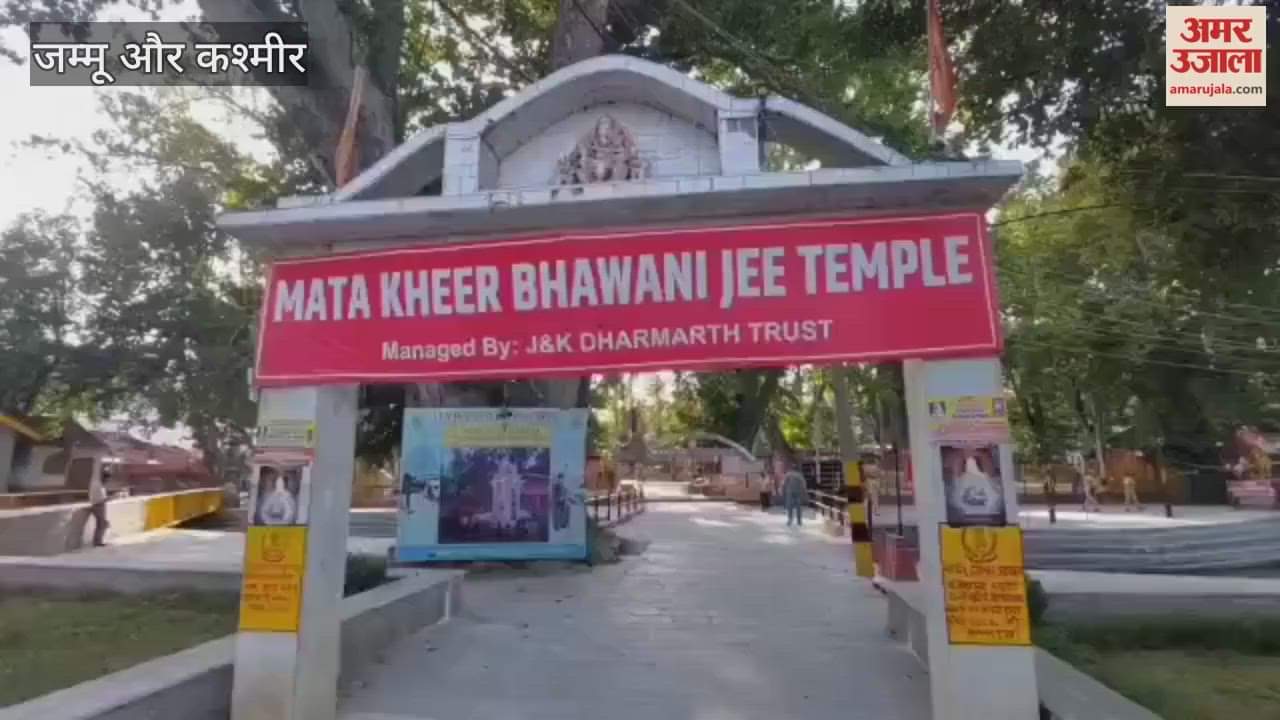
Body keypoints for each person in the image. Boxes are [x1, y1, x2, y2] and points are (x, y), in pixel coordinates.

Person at [88, 465, 110, 546]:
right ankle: (97, 541)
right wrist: (114, 497)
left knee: (101, 524)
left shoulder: (98, 484)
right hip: (98, 506)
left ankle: (97, 541)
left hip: (97, 505)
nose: (107, 481)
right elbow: (102, 499)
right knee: (102, 524)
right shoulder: (99, 485)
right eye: (106, 479)